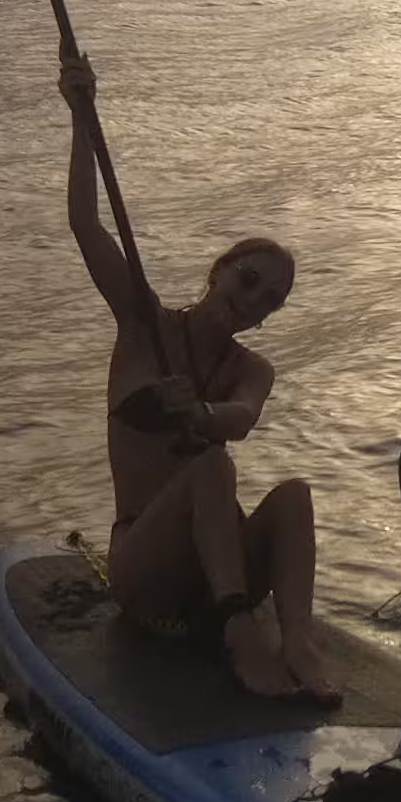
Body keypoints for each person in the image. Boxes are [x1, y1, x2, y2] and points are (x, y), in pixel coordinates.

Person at [60, 53, 333, 701]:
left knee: (292, 493)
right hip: (146, 569)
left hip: (224, 564)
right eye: (249, 280)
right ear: (220, 270)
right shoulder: (142, 324)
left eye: (270, 299)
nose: (254, 298)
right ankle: (239, 633)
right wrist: (80, 117)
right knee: (209, 469)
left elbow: (240, 418)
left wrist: (204, 415)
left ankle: (297, 637)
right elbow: (84, 224)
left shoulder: (252, 369)